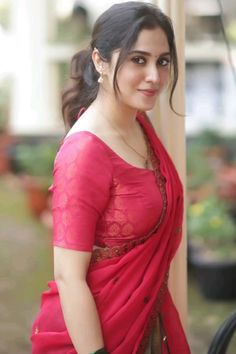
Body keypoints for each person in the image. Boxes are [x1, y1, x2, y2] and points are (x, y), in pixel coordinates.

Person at [31, 2, 191, 353]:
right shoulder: (85, 152)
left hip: (148, 319)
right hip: (97, 336)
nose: (154, 76)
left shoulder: (141, 125)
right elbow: (68, 276)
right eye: (138, 59)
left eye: (162, 61)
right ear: (100, 61)